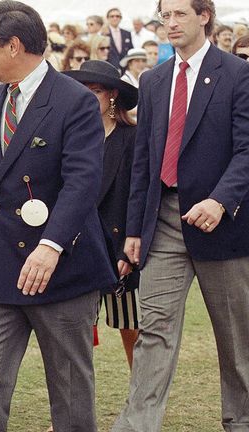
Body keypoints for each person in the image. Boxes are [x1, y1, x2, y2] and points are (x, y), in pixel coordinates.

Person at [0, 2, 115, 432]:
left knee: (69, 391)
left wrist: (50, 247)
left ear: (14, 45)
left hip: (58, 268)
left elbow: (82, 183)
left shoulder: (75, 101)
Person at [112, 0, 249, 430]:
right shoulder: (152, 80)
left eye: (179, 14)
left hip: (221, 224)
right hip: (164, 222)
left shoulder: (238, 73)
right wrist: (135, 227)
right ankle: (138, 425)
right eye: (164, 16)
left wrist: (220, 200)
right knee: (153, 332)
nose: (169, 23)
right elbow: (144, 161)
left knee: (236, 341)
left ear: (204, 16)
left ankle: (241, 421)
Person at [64, 60, 141, 368]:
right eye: (81, 90)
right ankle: (73, 411)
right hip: (77, 248)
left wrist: (129, 248)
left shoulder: (132, 137)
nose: (86, 96)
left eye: (94, 90)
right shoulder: (69, 137)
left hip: (121, 247)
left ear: (112, 95)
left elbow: (137, 195)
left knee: (131, 327)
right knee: (76, 332)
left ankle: (141, 405)